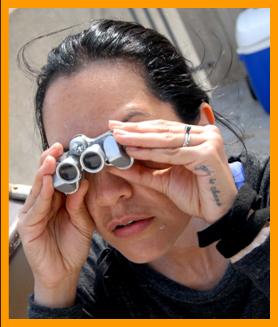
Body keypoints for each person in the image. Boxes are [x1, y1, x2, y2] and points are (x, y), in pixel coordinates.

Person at [17, 19, 270, 318]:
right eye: (77, 166)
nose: (110, 194)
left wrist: (242, 224)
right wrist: (54, 287)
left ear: (200, 125)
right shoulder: (94, 282)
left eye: (128, 147)